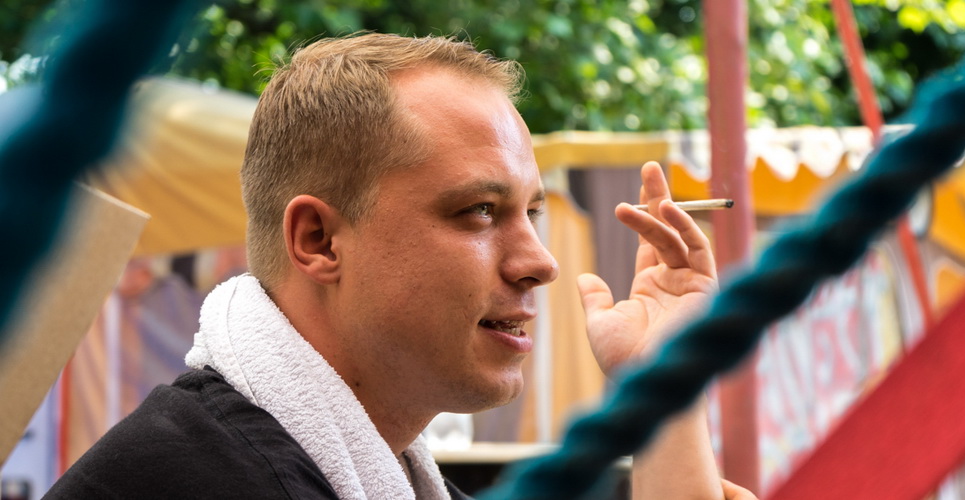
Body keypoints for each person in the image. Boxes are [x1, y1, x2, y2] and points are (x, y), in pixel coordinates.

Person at [46, 33, 755, 499]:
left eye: (532, 213)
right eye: (480, 211)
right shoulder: (201, 480)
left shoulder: (329, 468)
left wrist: (668, 376)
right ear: (320, 240)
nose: (539, 263)